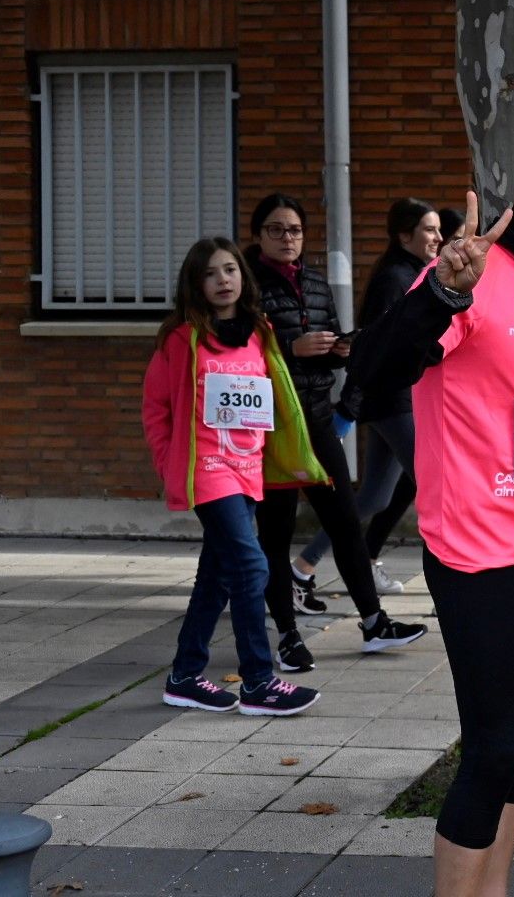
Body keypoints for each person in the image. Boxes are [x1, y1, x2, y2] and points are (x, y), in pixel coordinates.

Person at [347, 148, 514, 897]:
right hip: (479, 560)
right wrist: (441, 292)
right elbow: (372, 371)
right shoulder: (470, 275)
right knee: (493, 748)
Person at [245, 194, 428, 672]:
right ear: (259, 235)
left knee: (346, 518)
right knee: (276, 530)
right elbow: (242, 357)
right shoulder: (248, 287)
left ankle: (373, 621)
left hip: (318, 415)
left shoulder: (314, 283)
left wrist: (339, 349)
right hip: (273, 424)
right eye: (277, 230)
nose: (288, 239)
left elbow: (325, 341)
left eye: (295, 230)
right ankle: (285, 633)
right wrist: (292, 347)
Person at [142, 237, 322, 718]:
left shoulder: (260, 332)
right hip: (207, 469)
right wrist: (169, 463)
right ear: (195, 285)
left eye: (230, 270)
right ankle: (259, 681)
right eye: (210, 273)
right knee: (252, 566)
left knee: (217, 577)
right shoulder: (181, 340)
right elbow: (155, 409)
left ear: (243, 277)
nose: (223, 280)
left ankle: (183, 677)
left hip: (248, 467)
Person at [292, 198, 443, 601]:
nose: (438, 238)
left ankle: (303, 567)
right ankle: (458, 578)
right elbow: (377, 343)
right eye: (430, 230)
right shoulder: (397, 278)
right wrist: (353, 404)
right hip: (393, 400)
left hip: (393, 400)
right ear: (403, 235)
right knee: (435, 484)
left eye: (438, 230)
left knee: (375, 496)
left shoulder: (411, 272)